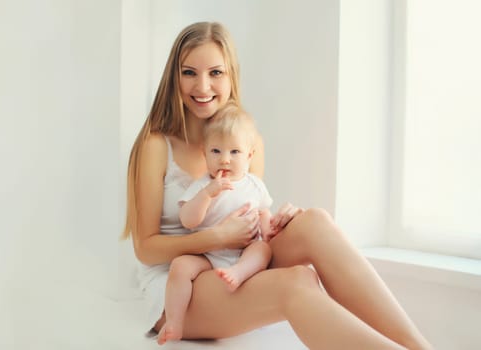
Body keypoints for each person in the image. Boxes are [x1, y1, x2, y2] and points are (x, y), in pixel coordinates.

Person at [122, 21, 433, 349]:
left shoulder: (248, 142)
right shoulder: (157, 145)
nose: (202, 86)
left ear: (231, 76)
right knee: (295, 284)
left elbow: (250, 215)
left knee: (314, 222)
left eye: (216, 73)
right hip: (180, 285)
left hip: (232, 263)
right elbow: (145, 249)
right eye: (189, 72)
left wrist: (275, 224)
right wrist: (214, 237)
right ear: (175, 76)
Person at [157, 103, 274, 344]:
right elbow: (188, 221)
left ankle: (239, 273)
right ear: (205, 153)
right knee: (179, 266)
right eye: (216, 151)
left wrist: (269, 228)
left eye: (234, 152)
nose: (225, 160)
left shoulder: (254, 185)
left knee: (262, 249)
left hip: (242, 252)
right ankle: (175, 322)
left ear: (249, 155)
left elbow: (264, 212)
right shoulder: (202, 186)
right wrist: (208, 194)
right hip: (207, 256)